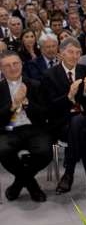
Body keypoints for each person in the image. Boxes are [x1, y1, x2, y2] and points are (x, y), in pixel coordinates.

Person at [44, 38, 86, 202]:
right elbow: (50, 108)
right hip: (62, 123)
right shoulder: (50, 75)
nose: (75, 56)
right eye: (70, 52)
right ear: (60, 54)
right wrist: (69, 96)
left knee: (80, 122)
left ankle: (68, 173)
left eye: (78, 52)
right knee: (85, 133)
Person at [0, 51, 51, 202]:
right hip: (9, 129)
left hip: (33, 127)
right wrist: (13, 105)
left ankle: (18, 184)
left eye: (15, 63)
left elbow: (45, 113)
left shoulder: (36, 85)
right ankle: (32, 185)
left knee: (45, 152)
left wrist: (27, 103)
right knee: (2, 151)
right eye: (7, 65)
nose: (12, 67)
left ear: (21, 64)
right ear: (2, 70)